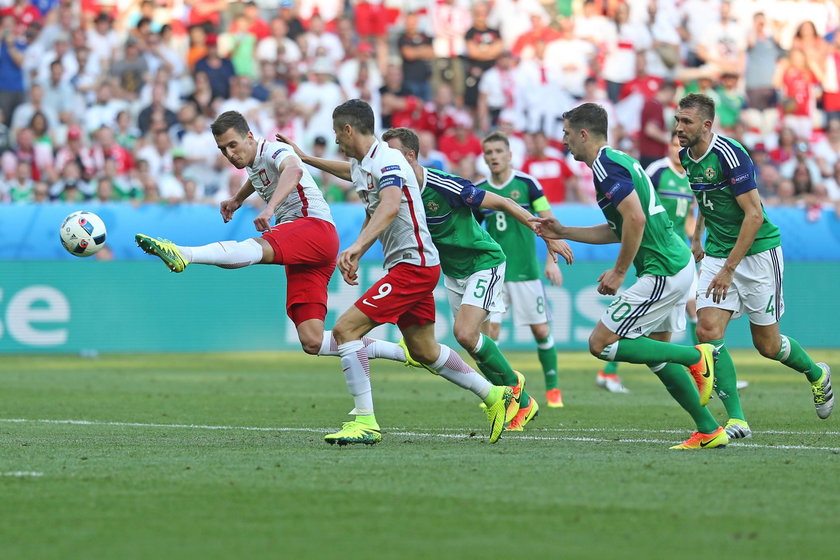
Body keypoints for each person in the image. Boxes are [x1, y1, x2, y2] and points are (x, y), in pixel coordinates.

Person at [284, 99, 516, 446]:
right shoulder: (365, 164)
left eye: (337, 134)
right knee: (423, 350)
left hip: (414, 265)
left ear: (349, 129)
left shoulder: (389, 159)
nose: (337, 141)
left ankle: (365, 421)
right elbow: (350, 172)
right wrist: (305, 158)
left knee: (347, 329)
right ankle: (496, 397)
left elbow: (391, 206)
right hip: (411, 265)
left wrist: (358, 246)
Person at [133, 110, 406, 368]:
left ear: (250, 137)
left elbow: (293, 170)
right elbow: (259, 174)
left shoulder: (276, 149)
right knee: (312, 340)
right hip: (307, 248)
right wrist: (237, 199)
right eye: (222, 149)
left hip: (313, 228)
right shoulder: (254, 160)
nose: (229, 154)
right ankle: (403, 352)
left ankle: (185, 254)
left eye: (233, 145)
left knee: (252, 249)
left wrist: (270, 207)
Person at [532, 103, 725, 450]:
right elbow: (619, 228)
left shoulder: (606, 167)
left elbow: (634, 220)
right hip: (674, 265)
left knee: (600, 343)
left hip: (663, 270)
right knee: (657, 356)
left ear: (583, 133)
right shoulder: (617, 161)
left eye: (566, 133)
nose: (563, 141)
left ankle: (697, 357)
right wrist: (564, 231)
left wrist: (620, 271)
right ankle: (709, 429)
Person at [379, 126, 573, 430]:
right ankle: (521, 404)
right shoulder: (395, 186)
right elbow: (354, 170)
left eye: (389, 154)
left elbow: (506, 203)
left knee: (469, 334)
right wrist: (306, 158)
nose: (383, 161)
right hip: (454, 272)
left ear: (411, 156)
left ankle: (517, 386)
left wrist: (547, 237)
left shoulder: (446, 185)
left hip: (485, 263)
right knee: (474, 342)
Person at [674, 93, 834, 439]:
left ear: (706, 124)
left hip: (757, 252)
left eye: (686, 122)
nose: (678, 128)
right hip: (718, 250)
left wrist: (729, 269)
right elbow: (705, 198)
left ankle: (816, 373)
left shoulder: (730, 156)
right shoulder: (686, 156)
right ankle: (737, 419)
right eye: (677, 120)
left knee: (768, 346)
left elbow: (755, 214)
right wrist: (698, 238)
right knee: (707, 332)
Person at [597, 133, 697, 393]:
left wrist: (697, 242)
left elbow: (687, 217)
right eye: (674, 144)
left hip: (675, 253)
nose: (679, 149)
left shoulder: (690, 177)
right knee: (652, 339)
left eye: (682, 144)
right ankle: (700, 360)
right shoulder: (656, 171)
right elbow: (636, 213)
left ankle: (702, 366)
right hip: (661, 255)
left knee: (657, 337)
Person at [476, 131, 565, 407]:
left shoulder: (527, 184)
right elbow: (472, 228)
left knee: (540, 331)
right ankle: (498, 392)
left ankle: (553, 390)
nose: (494, 157)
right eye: (489, 153)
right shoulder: (479, 190)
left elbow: (549, 221)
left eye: (498, 152)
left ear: (509, 155)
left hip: (526, 271)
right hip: (495, 274)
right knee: (490, 334)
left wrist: (552, 260)